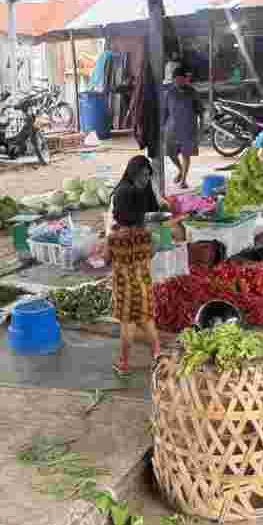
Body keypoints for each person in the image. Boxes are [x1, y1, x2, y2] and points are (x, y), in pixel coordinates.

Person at [108, 155, 167, 376]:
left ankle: (123, 363)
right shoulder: (148, 238)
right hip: (142, 286)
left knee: (127, 325)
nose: (146, 179)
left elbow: (103, 259)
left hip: (124, 289)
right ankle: (157, 354)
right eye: (144, 175)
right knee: (146, 320)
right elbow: (152, 253)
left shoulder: (114, 238)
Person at [162, 68, 204, 189]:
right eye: (178, 79)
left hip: (188, 128)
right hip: (172, 129)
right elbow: (165, 112)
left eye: (183, 79)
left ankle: (184, 180)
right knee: (170, 153)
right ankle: (180, 169)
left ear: (186, 79)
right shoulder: (169, 93)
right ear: (174, 79)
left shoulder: (192, 92)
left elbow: (200, 111)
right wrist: (162, 127)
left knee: (186, 154)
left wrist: (202, 127)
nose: (181, 81)